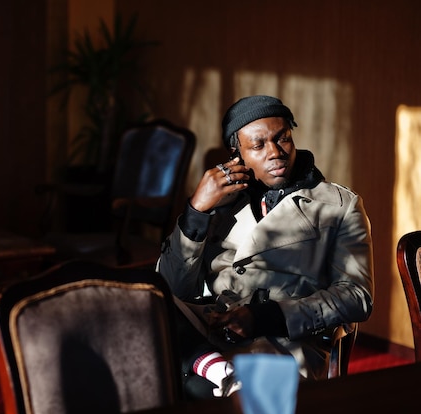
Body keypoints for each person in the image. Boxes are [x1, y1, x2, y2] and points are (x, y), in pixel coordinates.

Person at [156, 95, 374, 398]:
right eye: (258, 146)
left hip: (280, 341)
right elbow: (172, 288)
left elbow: (356, 297)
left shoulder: (339, 205)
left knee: (192, 390)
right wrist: (196, 212)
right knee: (144, 307)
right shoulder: (221, 201)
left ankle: (214, 373)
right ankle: (214, 367)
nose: (275, 152)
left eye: (282, 138)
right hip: (210, 330)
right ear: (237, 154)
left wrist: (265, 317)